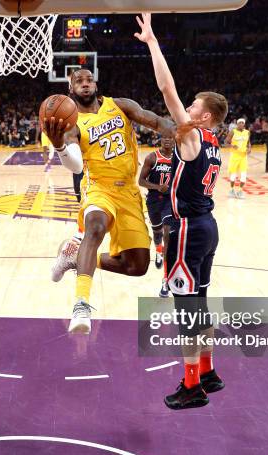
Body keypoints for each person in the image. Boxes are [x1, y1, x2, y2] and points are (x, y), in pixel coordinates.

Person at [136, 13, 227, 410]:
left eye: (193, 106)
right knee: (201, 302)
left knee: (187, 310)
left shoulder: (191, 138)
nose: (185, 107)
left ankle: (192, 387)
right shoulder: (214, 145)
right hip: (208, 227)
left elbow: (166, 88)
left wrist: (153, 42)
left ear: (204, 116)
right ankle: (208, 370)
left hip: (188, 230)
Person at [45, 69, 174, 334]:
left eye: (88, 79)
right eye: (78, 81)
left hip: (128, 193)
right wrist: (59, 146)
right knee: (94, 228)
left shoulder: (121, 105)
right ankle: (81, 304)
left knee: (136, 266)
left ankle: (75, 257)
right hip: (98, 188)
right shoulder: (72, 123)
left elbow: (157, 122)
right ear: (71, 90)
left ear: (95, 84)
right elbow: (76, 164)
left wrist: (179, 133)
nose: (84, 83)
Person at [138, 135, 175, 297]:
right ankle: (158, 251)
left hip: (170, 201)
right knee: (157, 233)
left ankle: (165, 280)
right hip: (154, 199)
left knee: (168, 235)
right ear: (161, 140)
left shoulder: (179, 158)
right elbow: (141, 181)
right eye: (165, 137)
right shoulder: (152, 157)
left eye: (170, 137)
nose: (167, 140)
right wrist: (157, 187)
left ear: (174, 141)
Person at [225, 118, 251, 198]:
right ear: (237, 124)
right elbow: (226, 143)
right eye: (239, 123)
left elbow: (248, 143)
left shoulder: (247, 132)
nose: (241, 124)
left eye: (242, 123)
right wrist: (232, 146)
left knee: (243, 175)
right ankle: (232, 190)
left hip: (243, 156)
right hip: (235, 156)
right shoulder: (233, 131)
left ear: (244, 124)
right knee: (233, 175)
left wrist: (249, 148)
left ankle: (240, 191)